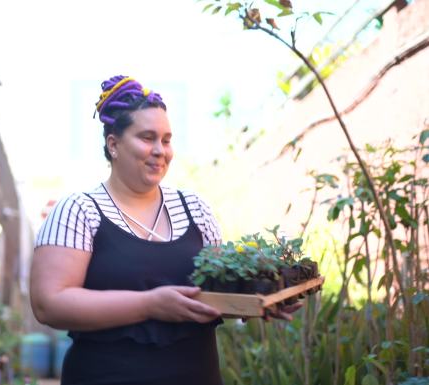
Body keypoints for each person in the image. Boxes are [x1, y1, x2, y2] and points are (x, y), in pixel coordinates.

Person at [30, 75, 298, 385]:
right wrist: (149, 305)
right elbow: (48, 304)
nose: (161, 150)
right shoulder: (79, 210)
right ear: (113, 144)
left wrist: (259, 300)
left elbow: (213, 294)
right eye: (147, 137)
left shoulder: (195, 209)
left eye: (166, 140)